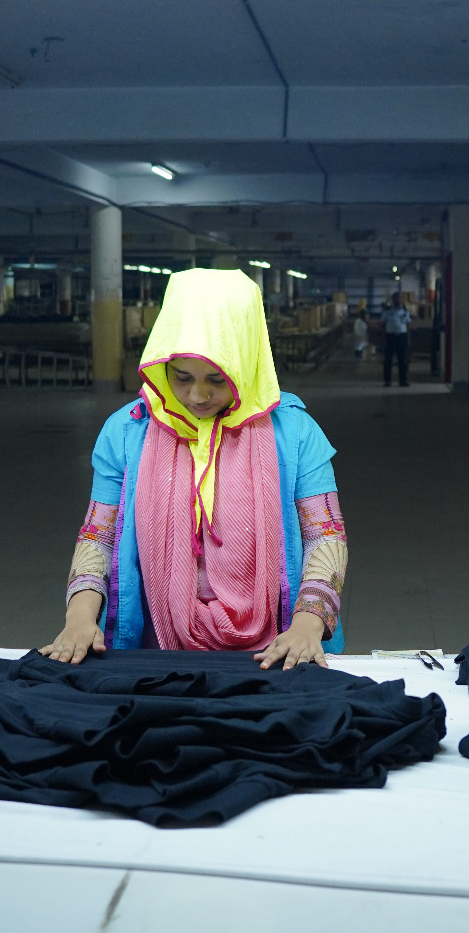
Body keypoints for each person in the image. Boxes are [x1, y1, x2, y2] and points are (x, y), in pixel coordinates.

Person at [40, 268, 348, 670]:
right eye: (181, 377)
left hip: (276, 650)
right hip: (158, 650)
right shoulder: (128, 431)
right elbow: (99, 535)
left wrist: (307, 624)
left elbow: (325, 535)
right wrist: (80, 618)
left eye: (217, 379)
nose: (197, 396)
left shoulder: (294, 432)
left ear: (247, 362)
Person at [381, 292, 411, 387]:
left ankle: (403, 380)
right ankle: (387, 381)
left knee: (403, 360)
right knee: (388, 360)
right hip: (390, 337)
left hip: (402, 336)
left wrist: (408, 339)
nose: (398, 300)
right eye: (396, 298)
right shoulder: (387, 311)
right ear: (393, 299)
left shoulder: (405, 311)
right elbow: (383, 325)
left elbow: (408, 325)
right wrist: (384, 338)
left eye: (400, 298)